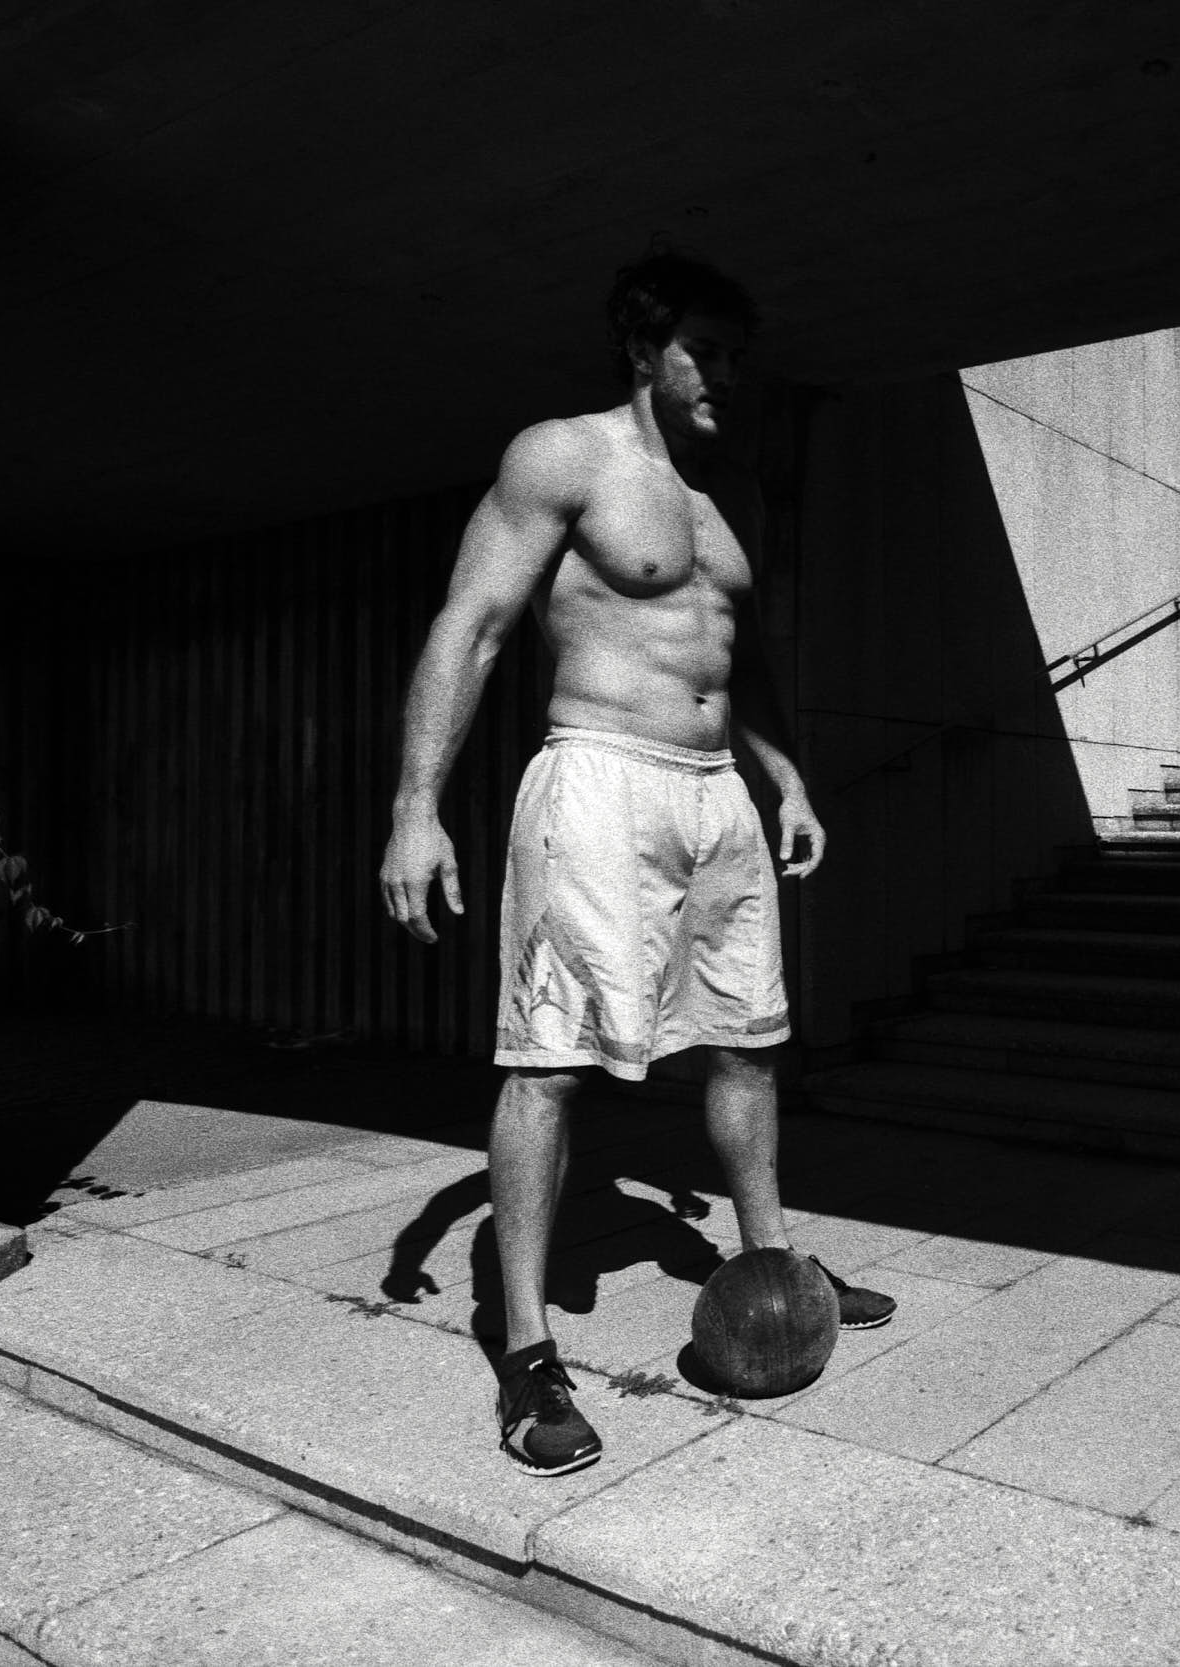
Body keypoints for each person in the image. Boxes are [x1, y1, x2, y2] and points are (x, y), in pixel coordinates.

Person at [378, 248, 892, 1478]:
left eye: (735, 354)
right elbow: (475, 620)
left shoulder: (733, 499)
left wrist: (788, 775)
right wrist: (414, 804)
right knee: (549, 1061)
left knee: (746, 1040)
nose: (724, 375)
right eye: (702, 351)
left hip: (720, 794)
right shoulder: (563, 457)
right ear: (642, 350)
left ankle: (770, 1262)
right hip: (599, 776)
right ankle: (525, 1345)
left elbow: (742, 654)